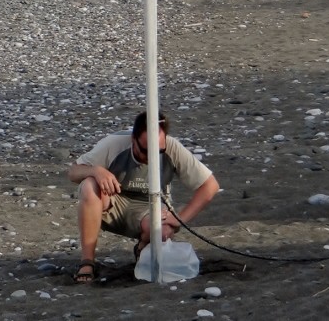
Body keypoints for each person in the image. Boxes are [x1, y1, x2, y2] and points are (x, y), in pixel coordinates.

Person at [67, 111, 219, 283]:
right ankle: (87, 262)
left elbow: (210, 186)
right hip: (112, 203)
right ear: (133, 139)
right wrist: (95, 170)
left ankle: (142, 248)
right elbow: (73, 172)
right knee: (89, 185)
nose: (152, 158)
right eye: (146, 151)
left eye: (158, 152)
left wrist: (179, 219)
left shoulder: (172, 148)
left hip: (149, 207)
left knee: (164, 231)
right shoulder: (114, 144)